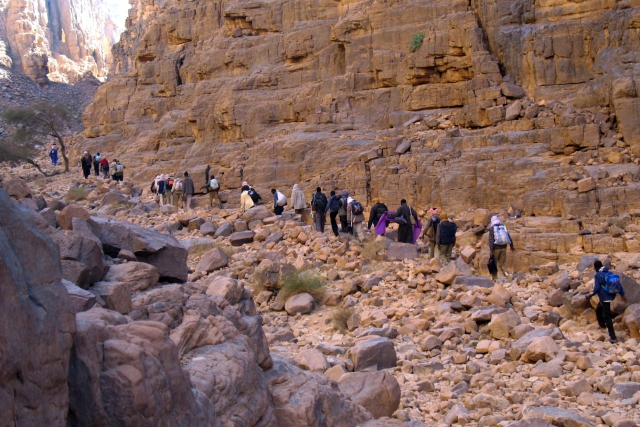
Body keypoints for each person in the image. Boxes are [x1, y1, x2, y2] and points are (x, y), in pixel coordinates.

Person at [586, 260, 627, 342]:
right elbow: (618, 285)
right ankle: (602, 325)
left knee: (607, 316)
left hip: (605, 298)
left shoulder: (598, 275)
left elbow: (597, 288)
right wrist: (622, 295)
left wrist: (590, 295)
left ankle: (613, 337)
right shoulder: (609, 273)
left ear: (595, 267)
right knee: (599, 309)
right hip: (611, 295)